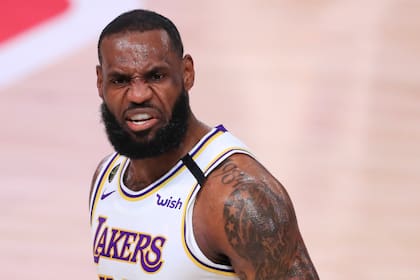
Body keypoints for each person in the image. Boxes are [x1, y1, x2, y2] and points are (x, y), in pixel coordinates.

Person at [89, 9, 319, 280]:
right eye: (121, 80)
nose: (138, 95)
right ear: (100, 82)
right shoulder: (106, 177)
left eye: (156, 77)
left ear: (187, 73)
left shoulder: (238, 198)